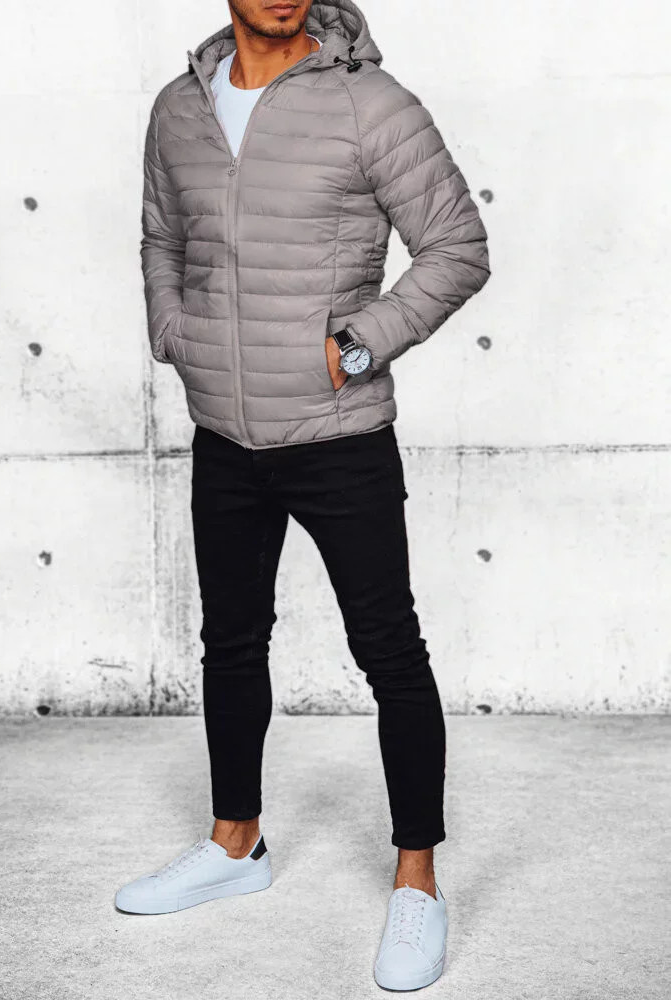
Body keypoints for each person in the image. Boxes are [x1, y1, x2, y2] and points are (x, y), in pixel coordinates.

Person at [116, 0, 490, 990]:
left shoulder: (373, 103)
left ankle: (417, 883)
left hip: (340, 437)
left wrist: (358, 346)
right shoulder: (178, 109)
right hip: (224, 436)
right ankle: (235, 844)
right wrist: (173, 331)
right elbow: (161, 234)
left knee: (390, 652)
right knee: (232, 642)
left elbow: (458, 245)